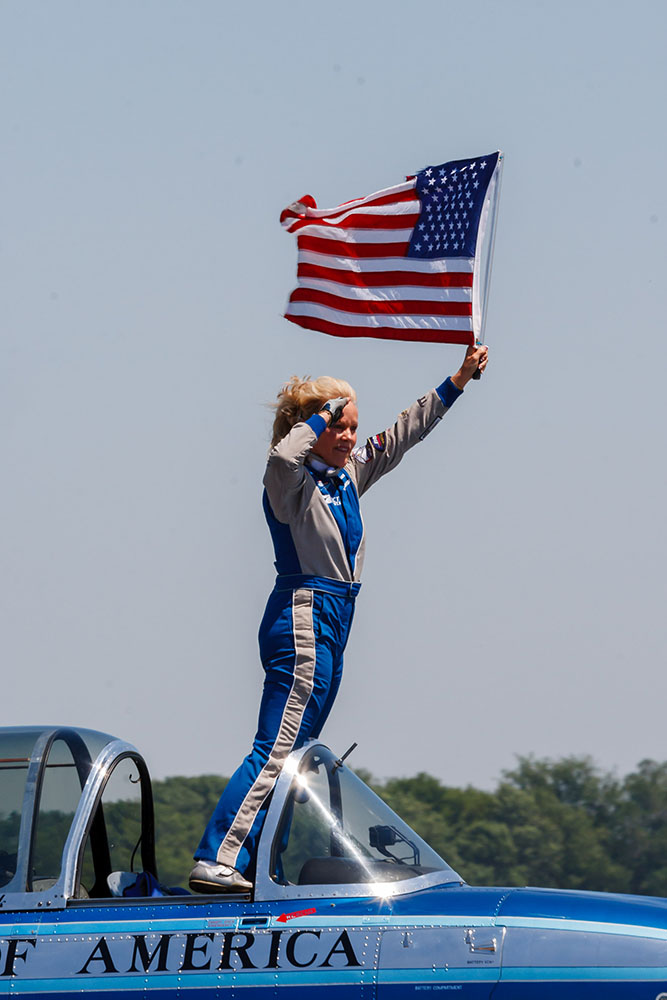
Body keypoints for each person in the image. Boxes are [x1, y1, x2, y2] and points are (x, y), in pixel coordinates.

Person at [189, 343, 489, 893]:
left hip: (337, 618)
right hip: (305, 614)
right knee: (277, 746)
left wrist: (458, 380)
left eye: (353, 427)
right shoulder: (290, 483)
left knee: (296, 753)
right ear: (314, 427)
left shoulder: (347, 475)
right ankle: (217, 857)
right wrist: (324, 410)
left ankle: (247, 861)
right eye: (339, 427)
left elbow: (402, 434)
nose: (350, 438)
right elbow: (281, 457)